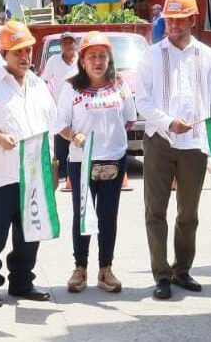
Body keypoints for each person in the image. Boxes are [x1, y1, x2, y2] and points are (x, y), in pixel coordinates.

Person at [135, 0, 211, 300]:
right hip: (160, 140)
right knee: (155, 210)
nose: (173, 25)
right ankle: (161, 274)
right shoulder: (151, 55)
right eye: (169, 20)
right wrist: (167, 122)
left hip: (194, 144)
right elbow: (142, 101)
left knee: (189, 213)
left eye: (179, 19)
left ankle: (182, 269)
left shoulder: (209, 57)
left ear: (192, 20)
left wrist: (202, 127)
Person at [0, 20, 57, 307]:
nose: (24, 57)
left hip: (33, 176)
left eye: (27, 50)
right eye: (17, 51)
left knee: (30, 234)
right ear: (3, 52)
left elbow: (51, 127)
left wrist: (53, 166)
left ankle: (22, 282)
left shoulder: (39, 85)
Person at [54, 32, 135, 294]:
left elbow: (128, 120)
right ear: (82, 60)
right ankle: (80, 268)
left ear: (109, 59)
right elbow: (60, 125)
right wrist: (74, 136)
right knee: (83, 215)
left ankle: (105, 269)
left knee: (108, 216)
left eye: (102, 56)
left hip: (113, 161)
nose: (98, 61)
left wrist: (109, 141)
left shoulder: (120, 85)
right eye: (92, 57)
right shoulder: (71, 87)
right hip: (82, 162)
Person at [41, 32, 79, 181]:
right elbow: (44, 81)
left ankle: (77, 168)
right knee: (60, 138)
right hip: (59, 107)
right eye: (64, 43)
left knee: (77, 135)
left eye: (71, 43)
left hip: (78, 105)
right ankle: (63, 171)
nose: (68, 46)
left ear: (75, 44)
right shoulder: (53, 61)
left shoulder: (81, 60)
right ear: (61, 46)